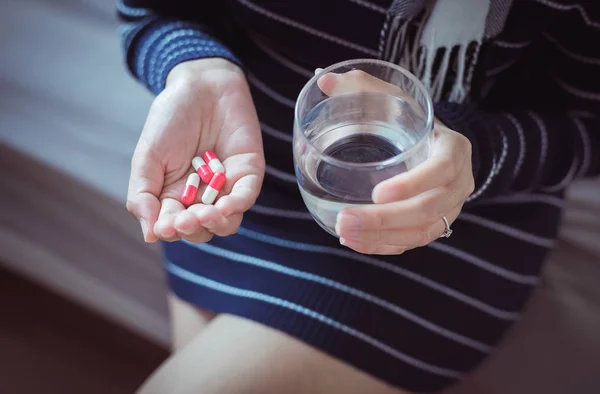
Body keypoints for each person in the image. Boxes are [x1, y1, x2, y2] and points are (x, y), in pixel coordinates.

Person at [118, 0, 599, 393]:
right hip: (239, 173)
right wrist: (194, 70)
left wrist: (476, 156)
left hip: (450, 217)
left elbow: (589, 124)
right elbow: (149, 11)